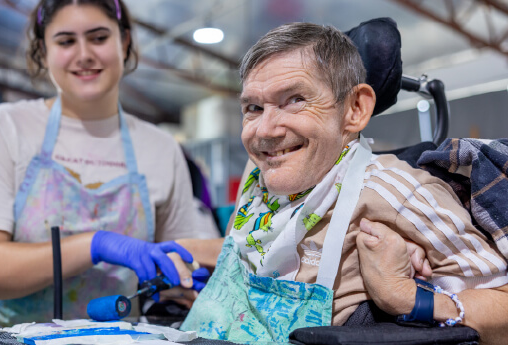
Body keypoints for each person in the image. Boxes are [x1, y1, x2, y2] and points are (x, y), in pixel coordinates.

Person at [180, 22, 508, 344]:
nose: (264, 130)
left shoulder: (394, 193)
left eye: (293, 99)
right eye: (253, 107)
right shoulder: (257, 185)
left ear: (355, 109)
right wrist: (174, 254)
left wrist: (409, 298)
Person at [0, 0, 217, 330]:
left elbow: (176, 266)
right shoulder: (4, 128)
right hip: (1, 337)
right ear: (43, 51)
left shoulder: (161, 148)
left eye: (98, 37)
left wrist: (183, 279)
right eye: (66, 41)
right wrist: (94, 245)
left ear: (124, 42)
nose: (84, 54)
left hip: (117, 337)